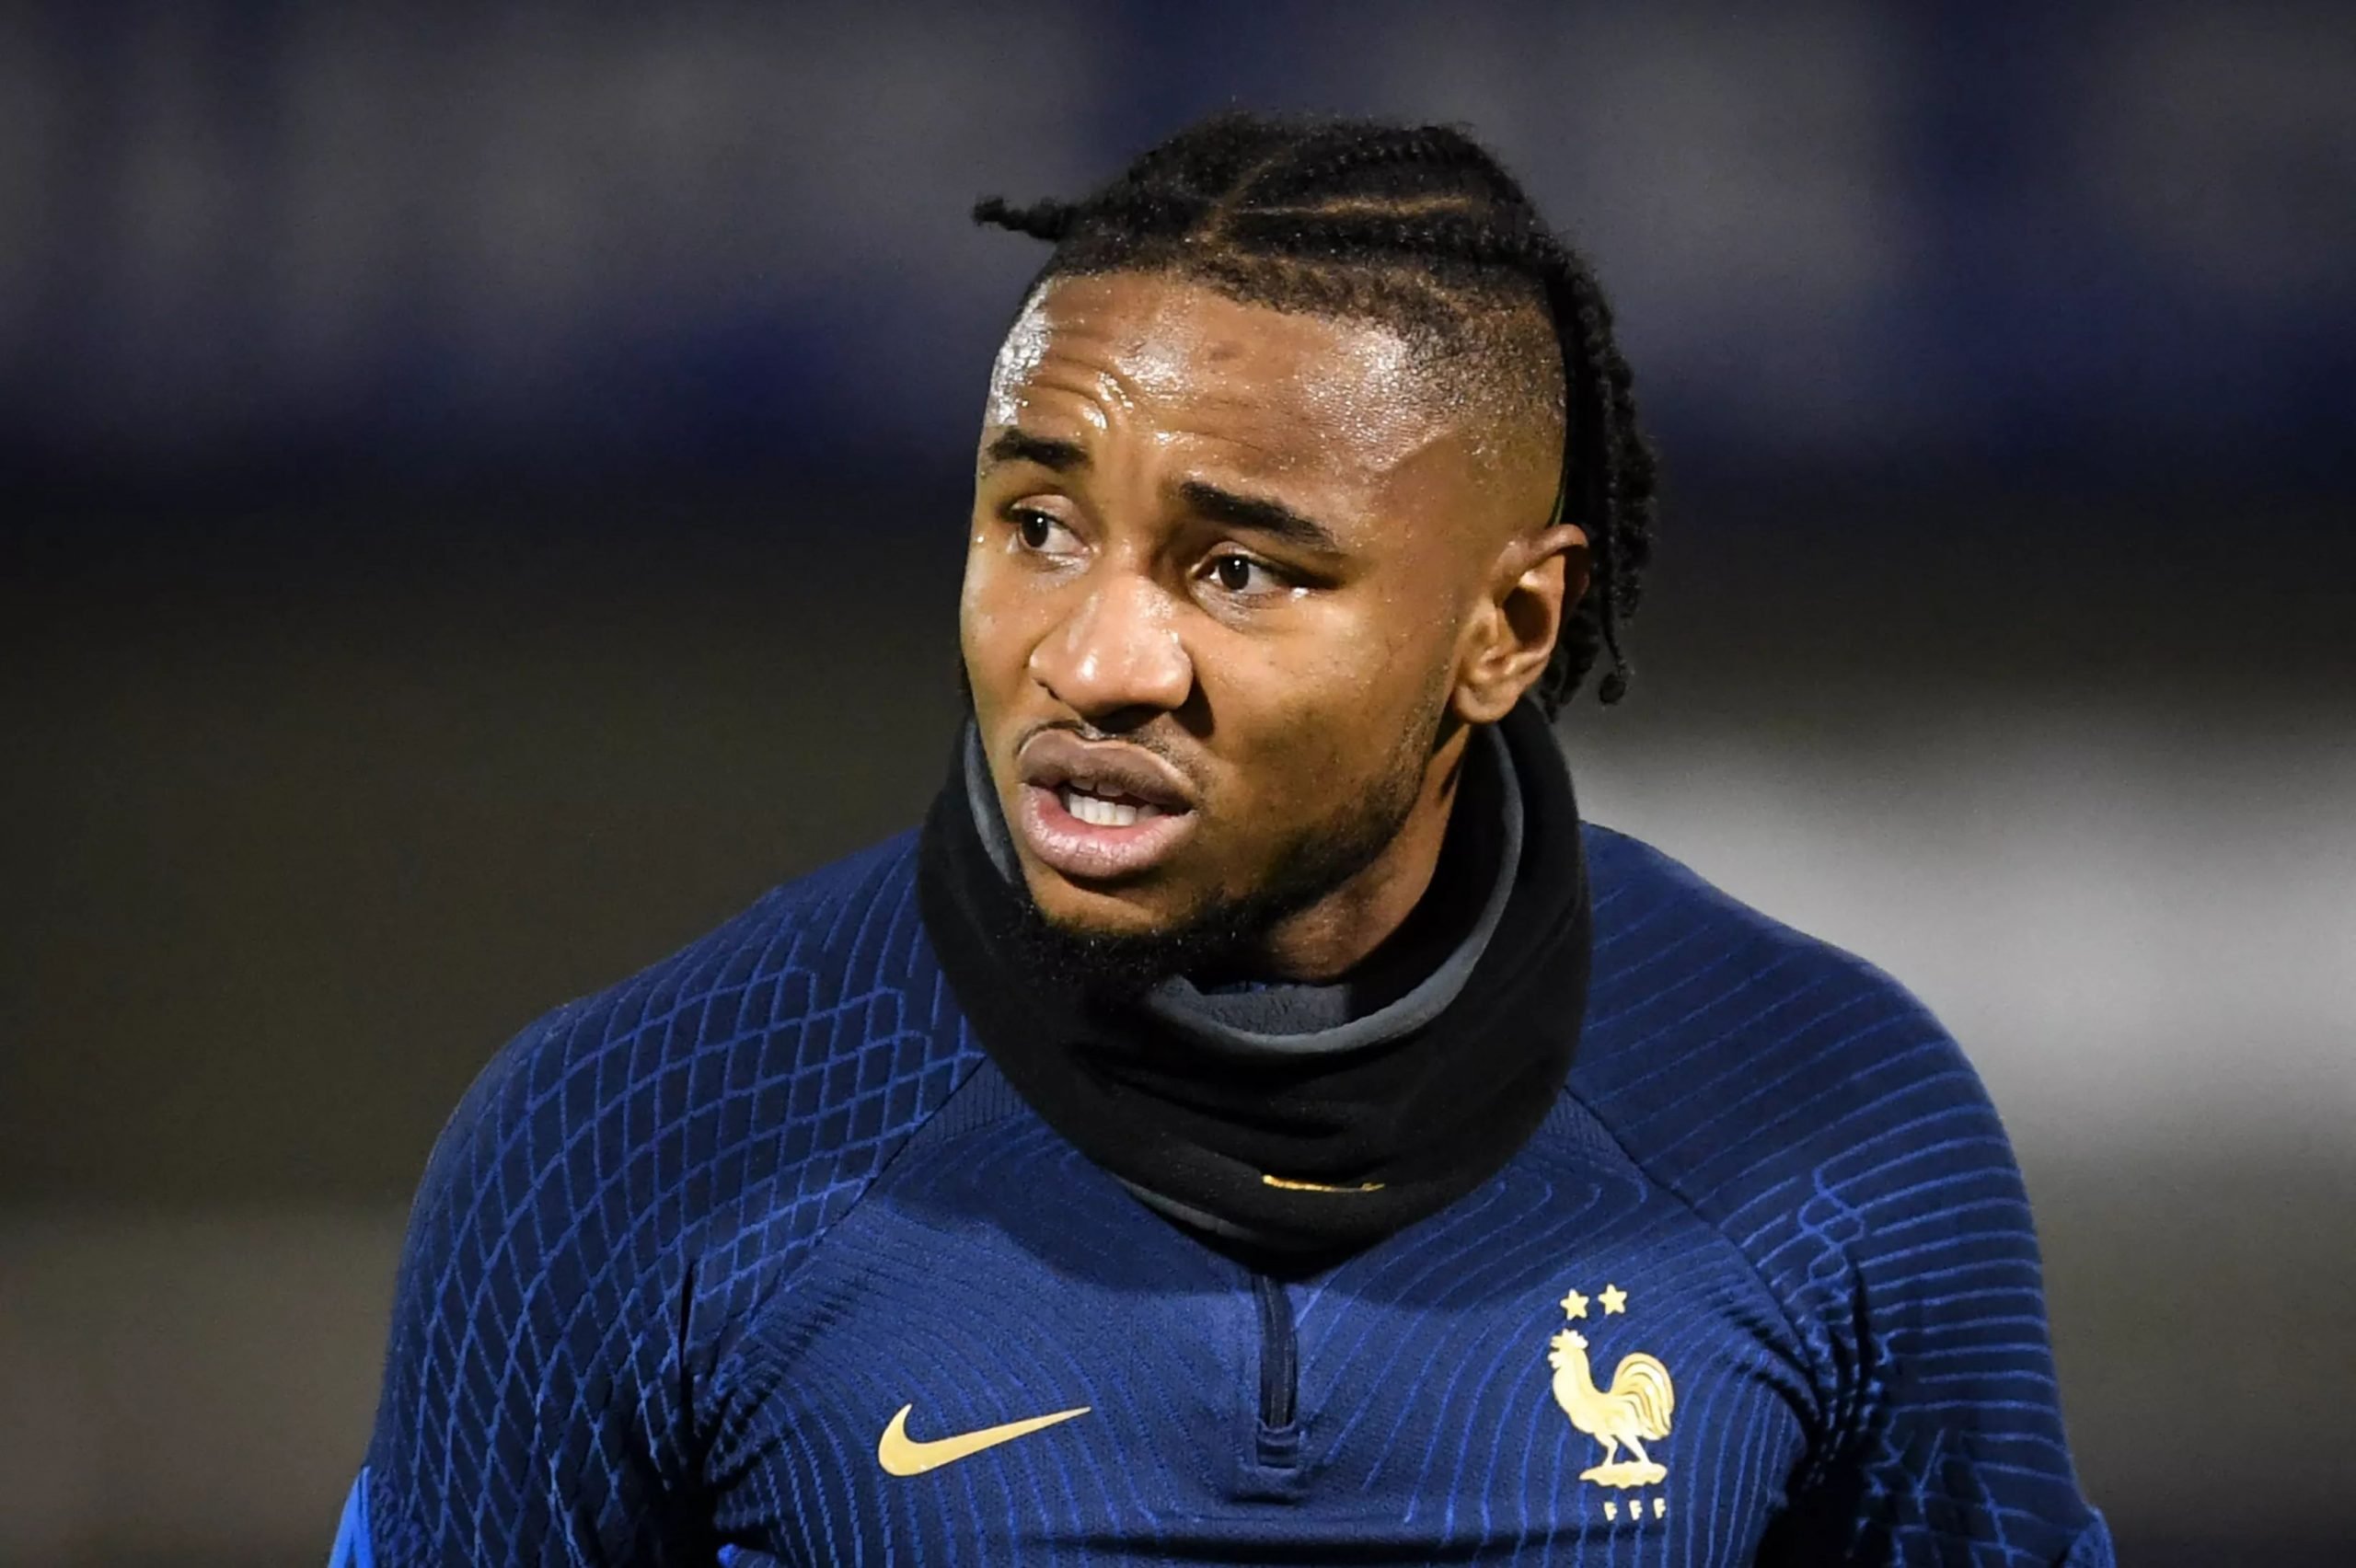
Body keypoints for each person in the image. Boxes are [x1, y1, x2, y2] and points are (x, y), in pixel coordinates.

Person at [329, 112, 2111, 1565]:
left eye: (1238, 568)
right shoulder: (631, 1140)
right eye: (1038, 526)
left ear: (1506, 631)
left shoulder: (1836, 1133)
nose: (1095, 660)